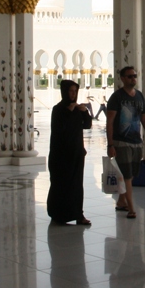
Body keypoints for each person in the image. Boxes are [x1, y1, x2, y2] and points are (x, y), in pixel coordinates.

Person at [106, 66, 145, 220]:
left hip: (136, 142)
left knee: (132, 174)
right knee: (127, 176)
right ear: (122, 78)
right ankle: (131, 208)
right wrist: (110, 144)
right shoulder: (117, 97)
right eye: (129, 76)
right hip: (121, 142)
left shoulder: (139, 96)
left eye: (134, 76)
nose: (133, 79)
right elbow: (110, 121)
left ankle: (121, 201)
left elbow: (144, 119)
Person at [48, 80, 93, 226]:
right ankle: (59, 214)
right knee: (61, 184)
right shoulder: (58, 109)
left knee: (76, 185)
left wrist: (84, 112)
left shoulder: (77, 109)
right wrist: (69, 110)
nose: (73, 94)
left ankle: (78, 215)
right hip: (60, 156)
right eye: (70, 91)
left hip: (76, 153)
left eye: (75, 91)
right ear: (64, 92)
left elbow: (87, 125)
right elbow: (59, 128)